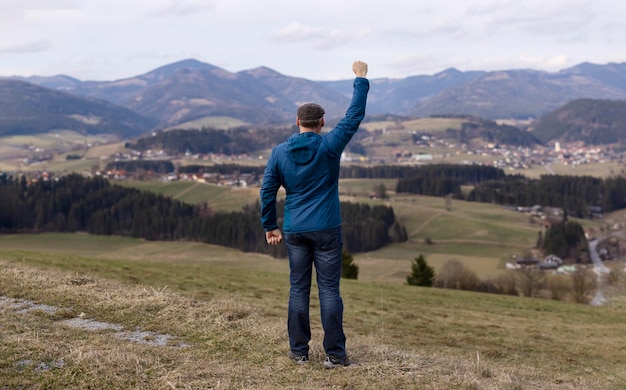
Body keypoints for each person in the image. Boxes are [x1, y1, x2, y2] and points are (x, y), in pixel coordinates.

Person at [260, 60, 369, 369]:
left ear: (298, 122)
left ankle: (298, 353)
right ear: (321, 122)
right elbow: (354, 116)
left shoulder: (279, 153)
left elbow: (267, 191)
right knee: (330, 291)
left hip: (295, 230)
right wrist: (360, 78)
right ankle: (335, 355)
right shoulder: (330, 146)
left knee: (298, 290)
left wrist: (271, 225)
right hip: (327, 228)